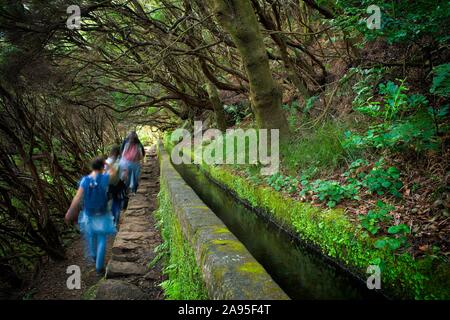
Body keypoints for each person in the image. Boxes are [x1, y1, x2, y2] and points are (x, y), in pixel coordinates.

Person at [65, 157, 117, 274]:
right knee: (102, 238)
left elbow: (77, 198)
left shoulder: (85, 181)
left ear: (91, 167)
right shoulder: (104, 178)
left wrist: (70, 211)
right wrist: (108, 164)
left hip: (89, 214)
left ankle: (93, 255)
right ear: (102, 167)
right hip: (103, 213)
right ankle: (99, 266)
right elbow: (114, 172)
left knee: (91, 236)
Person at [105, 145, 127, 225]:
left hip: (109, 185)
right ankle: (116, 219)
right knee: (117, 201)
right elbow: (124, 175)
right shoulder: (121, 161)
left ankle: (112, 218)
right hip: (119, 184)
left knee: (112, 200)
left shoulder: (107, 161)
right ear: (119, 153)